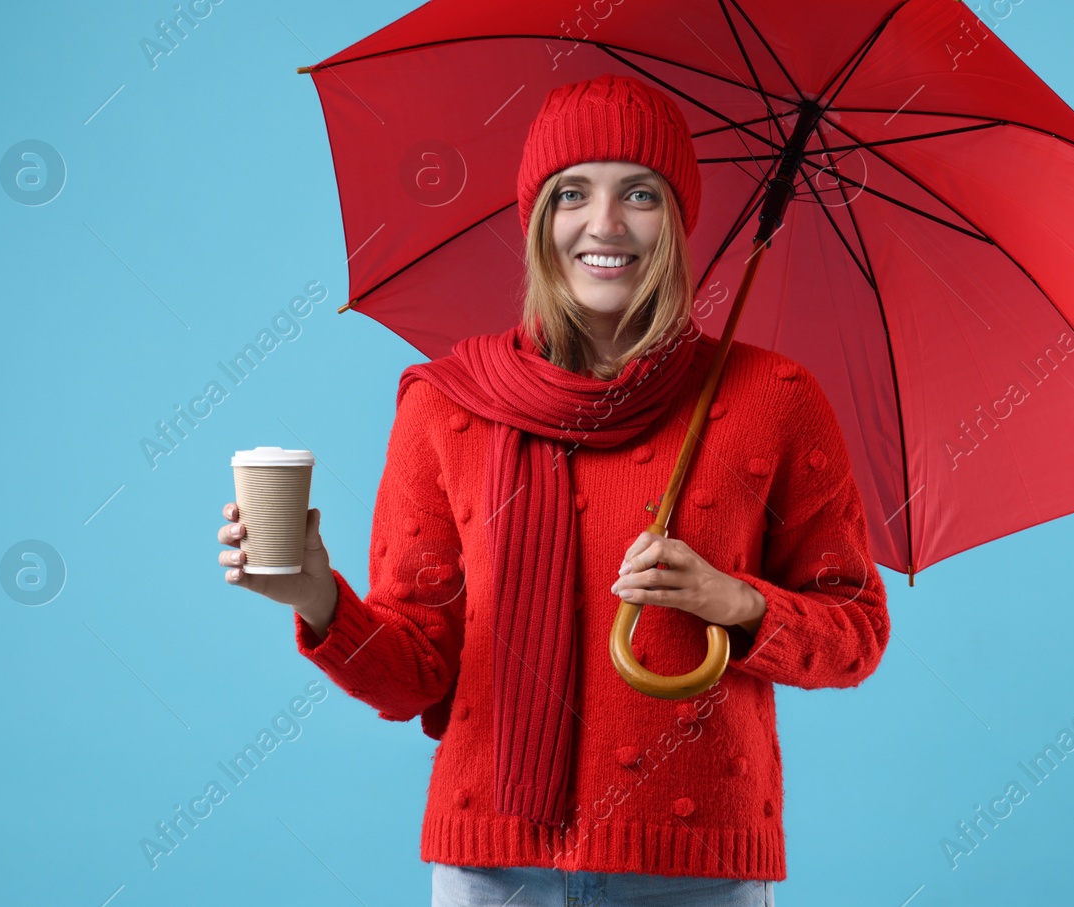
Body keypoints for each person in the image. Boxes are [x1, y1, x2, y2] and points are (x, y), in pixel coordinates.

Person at [214, 73, 889, 905]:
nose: (604, 224)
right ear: (539, 220)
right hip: (493, 872)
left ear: (677, 221)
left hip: (697, 873)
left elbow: (856, 630)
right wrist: (318, 596)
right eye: (573, 193)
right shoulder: (447, 404)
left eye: (639, 192)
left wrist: (735, 601)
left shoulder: (773, 398)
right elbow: (418, 671)